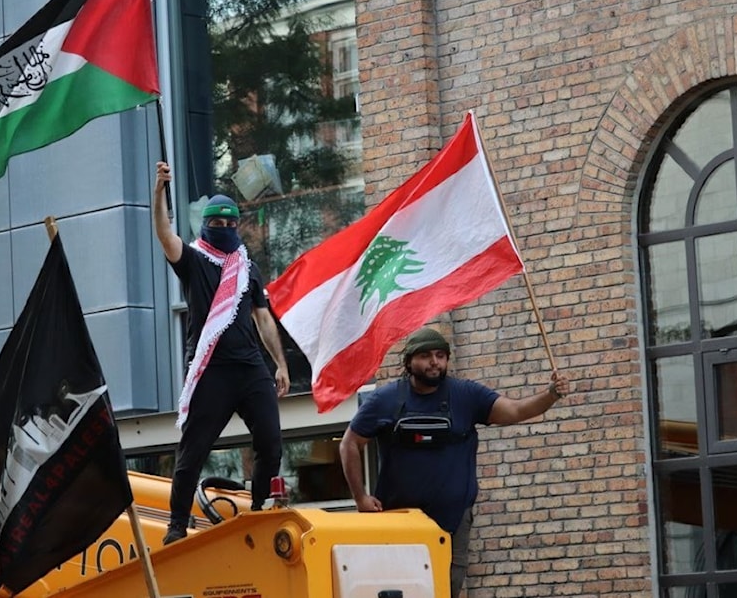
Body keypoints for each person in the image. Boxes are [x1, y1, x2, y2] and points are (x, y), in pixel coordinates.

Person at [338, 327, 570, 597]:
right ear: (409, 362)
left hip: (452, 522)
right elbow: (350, 444)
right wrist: (360, 497)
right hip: (398, 522)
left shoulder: (466, 395)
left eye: (440, 355)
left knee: (446, 590)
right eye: (425, 356)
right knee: (400, 590)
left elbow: (516, 410)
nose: (434, 362)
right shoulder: (384, 400)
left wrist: (550, 395)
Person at [153, 161, 290, 545]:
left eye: (232, 224)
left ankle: (260, 508)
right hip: (210, 370)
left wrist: (280, 364)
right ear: (206, 225)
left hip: (249, 368)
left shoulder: (245, 266)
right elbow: (165, 235)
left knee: (270, 441)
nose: (226, 230)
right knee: (193, 450)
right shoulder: (194, 260)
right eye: (219, 224)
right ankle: (177, 523)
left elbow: (263, 317)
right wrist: (159, 190)